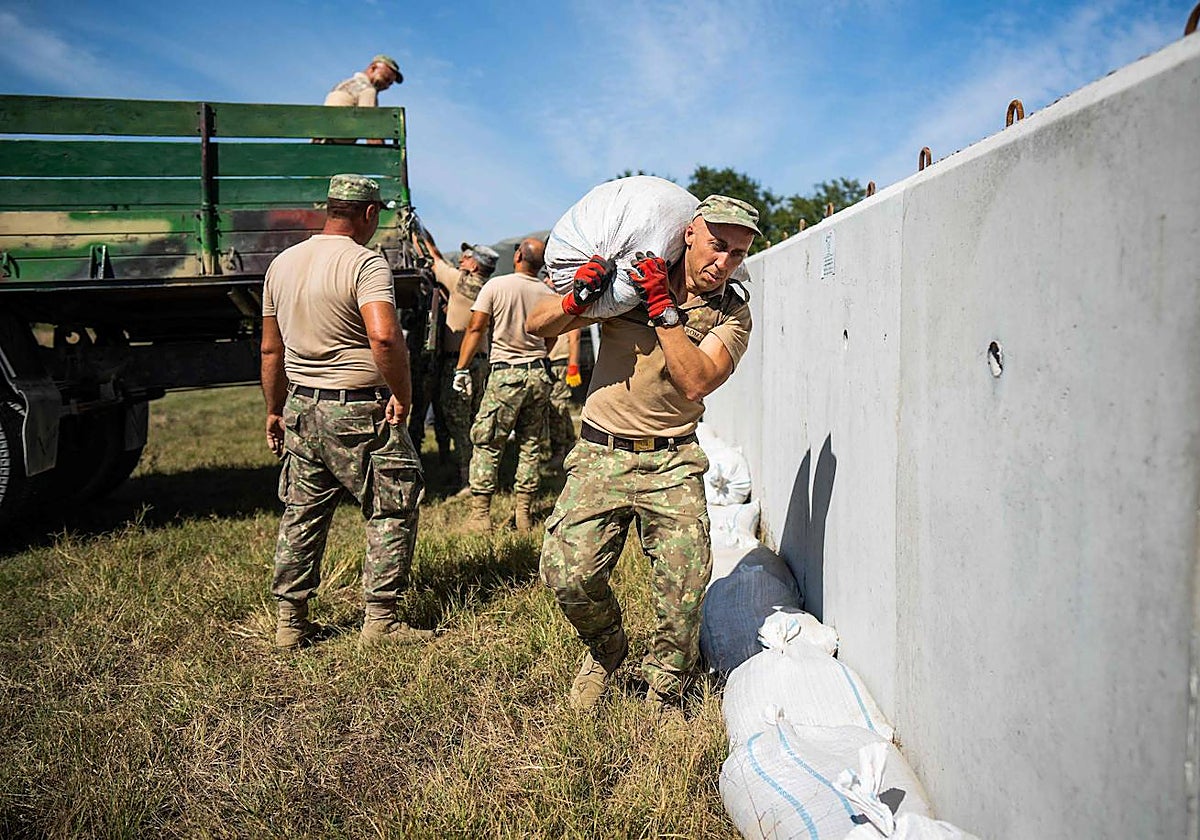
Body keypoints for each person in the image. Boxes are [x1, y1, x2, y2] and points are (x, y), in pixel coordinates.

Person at [526, 195, 761, 711]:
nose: (723, 263)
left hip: (672, 460)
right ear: (689, 235)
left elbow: (697, 381)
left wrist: (665, 314)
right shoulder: (631, 279)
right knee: (567, 574)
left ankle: (663, 688)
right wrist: (579, 298)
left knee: (685, 588)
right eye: (717, 246)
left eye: (738, 254)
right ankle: (607, 653)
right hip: (600, 452)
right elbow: (536, 327)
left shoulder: (732, 312)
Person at [261, 174, 432, 649]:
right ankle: (381, 621)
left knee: (303, 511)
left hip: (301, 406)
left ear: (329, 208)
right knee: (392, 505)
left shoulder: (282, 264)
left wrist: (274, 410)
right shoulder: (366, 263)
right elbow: (383, 336)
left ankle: (289, 623)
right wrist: (403, 392)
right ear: (371, 214)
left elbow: (271, 351)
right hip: (359, 411)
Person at [454, 237, 556, 533]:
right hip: (538, 374)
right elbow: (553, 335)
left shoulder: (496, 286)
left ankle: (480, 517)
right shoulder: (547, 292)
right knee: (530, 444)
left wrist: (461, 369)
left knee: (487, 442)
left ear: (518, 256)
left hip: (505, 374)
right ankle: (523, 515)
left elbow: (476, 328)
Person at [415, 228, 499, 491]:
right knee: (475, 416)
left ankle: (468, 479)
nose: (461, 260)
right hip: (482, 361)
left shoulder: (461, 283)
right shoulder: (489, 288)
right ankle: (481, 471)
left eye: (465, 258)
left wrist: (420, 233)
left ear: (474, 265)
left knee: (458, 420)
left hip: (458, 362)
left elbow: (435, 258)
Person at [320, 55, 403, 145]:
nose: (387, 86)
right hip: (338, 148)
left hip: (320, 144)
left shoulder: (342, 84)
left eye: (390, 84)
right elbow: (372, 131)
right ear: (373, 68)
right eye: (386, 79)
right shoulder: (367, 90)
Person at [542, 302, 583, 471]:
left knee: (557, 407)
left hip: (559, 363)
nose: (546, 280)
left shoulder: (566, 303)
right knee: (560, 409)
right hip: (549, 361)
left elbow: (575, 337)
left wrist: (573, 365)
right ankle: (569, 445)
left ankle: (559, 452)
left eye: (549, 276)